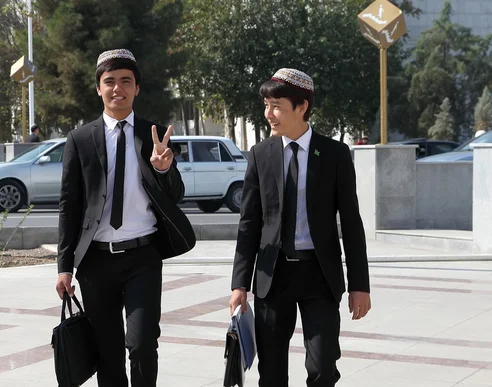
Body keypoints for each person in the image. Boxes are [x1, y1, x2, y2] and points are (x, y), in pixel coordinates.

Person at [55, 48, 196, 387]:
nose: (117, 89)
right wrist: (64, 265)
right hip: (95, 263)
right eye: (110, 82)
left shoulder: (153, 134)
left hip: (143, 257)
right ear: (98, 88)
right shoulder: (80, 139)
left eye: (125, 82)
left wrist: (164, 169)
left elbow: (175, 195)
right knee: (108, 352)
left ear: (137, 88)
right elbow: (69, 203)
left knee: (143, 344)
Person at [229, 68, 371, 387]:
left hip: (319, 276)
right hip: (272, 277)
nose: (269, 114)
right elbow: (249, 223)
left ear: (302, 107)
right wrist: (239, 283)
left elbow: (351, 221)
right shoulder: (260, 156)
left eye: (276, 105)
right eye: (266, 105)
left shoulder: (334, 155)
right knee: (273, 373)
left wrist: (360, 284)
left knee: (323, 368)